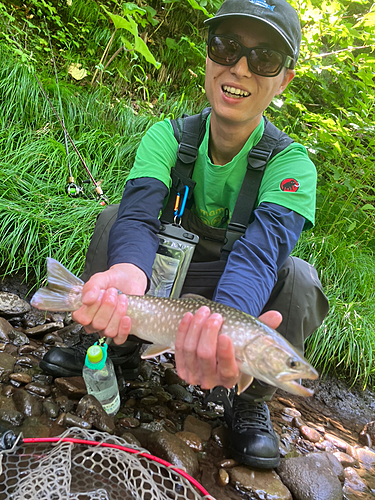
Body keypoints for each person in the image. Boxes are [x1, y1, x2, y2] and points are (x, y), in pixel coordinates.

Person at [41, 0, 329, 469]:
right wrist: (128, 271)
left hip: (232, 295)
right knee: (114, 218)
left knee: (299, 277)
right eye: (226, 47)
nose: (239, 68)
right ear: (209, 54)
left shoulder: (292, 164)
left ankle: (252, 397)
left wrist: (223, 329)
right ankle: (112, 344)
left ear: (284, 79)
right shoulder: (166, 137)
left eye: (264, 59)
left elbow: (261, 254)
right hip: (158, 279)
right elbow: (137, 215)